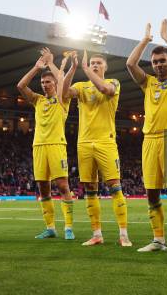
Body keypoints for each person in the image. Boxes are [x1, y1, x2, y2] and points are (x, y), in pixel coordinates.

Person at [126, 19, 167, 254]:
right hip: (149, 141)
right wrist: (145, 40)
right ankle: (159, 240)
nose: (159, 65)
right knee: (151, 191)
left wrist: (165, 37)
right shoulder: (148, 83)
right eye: (155, 62)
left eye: (162, 61)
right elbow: (130, 63)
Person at [62, 50, 131, 246]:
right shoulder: (81, 86)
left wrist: (84, 68)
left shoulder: (114, 83)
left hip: (105, 142)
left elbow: (105, 90)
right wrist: (73, 69)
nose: (94, 65)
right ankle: (97, 234)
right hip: (84, 143)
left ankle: (124, 234)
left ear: (105, 67)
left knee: (114, 187)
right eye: (92, 63)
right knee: (90, 189)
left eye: (98, 63)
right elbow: (64, 93)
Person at [17, 50, 75, 240]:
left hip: (57, 145)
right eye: (42, 82)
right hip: (39, 146)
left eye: (48, 82)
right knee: (43, 187)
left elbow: (63, 79)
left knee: (63, 186)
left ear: (55, 83)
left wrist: (51, 64)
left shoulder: (62, 98)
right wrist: (36, 68)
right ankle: (50, 228)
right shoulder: (37, 100)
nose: (44, 85)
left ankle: (68, 227)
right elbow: (21, 85)